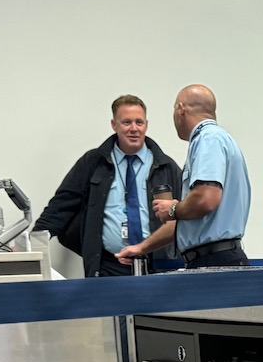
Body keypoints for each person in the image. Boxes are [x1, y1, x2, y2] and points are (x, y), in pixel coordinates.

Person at [31, 95, 183, 277]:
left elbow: (186, 214)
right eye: (126, 122)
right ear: (114, 125)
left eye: (139, 122)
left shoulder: (166, 166)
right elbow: (59, 208)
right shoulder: (92, 163)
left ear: (146, 125)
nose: (134, 129)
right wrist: (33, 244)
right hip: (107, 267)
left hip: (158, 266)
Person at [120, 84, 251, 270]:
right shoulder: (218, 139)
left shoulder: (208, 139)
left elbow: (206, 199)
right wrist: (142, 248)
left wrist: (173, 209)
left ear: (180, 109)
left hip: (214, 262)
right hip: (216, 259)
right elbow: (188, 221)